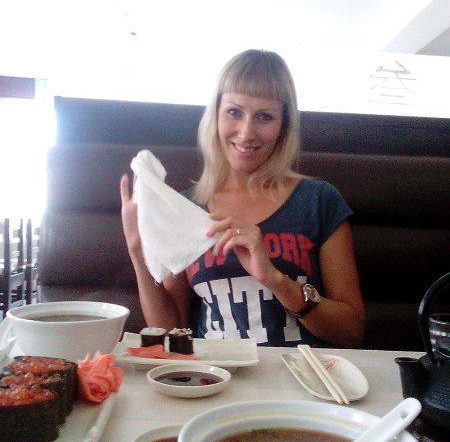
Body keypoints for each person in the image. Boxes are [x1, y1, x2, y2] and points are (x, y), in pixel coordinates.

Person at [120, 49, 365, 347]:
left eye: (264, 116)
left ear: (283, 126)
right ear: (216, 116)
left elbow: (351, 331)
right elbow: (171, 331)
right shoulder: (187, 208)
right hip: (215, 373)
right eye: (234, 112)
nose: (247, 132)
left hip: (304, 372)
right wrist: (137, 251)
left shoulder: (320, 201)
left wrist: (274, 279)